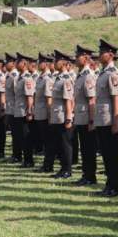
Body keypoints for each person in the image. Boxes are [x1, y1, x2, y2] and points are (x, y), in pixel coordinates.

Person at [93, 39, 118, 197]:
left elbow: (116, 98)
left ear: (110, 55)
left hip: (109, 120)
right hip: (101, 119)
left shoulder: (112, 74)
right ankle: (109, 185)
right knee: (106, 154)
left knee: (112, 155)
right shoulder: (103, 73)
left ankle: (115, 186)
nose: (99, 55)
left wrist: (115, 122)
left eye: (102, 52)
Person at [48, 50, 75, 179]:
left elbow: (68, 100)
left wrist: (69, 118)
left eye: (56, 61)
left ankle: (67, 170)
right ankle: (62, 168)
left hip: (63, 117)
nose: (54, 63)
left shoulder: (66, 79)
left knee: (65, 145)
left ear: (63, 63)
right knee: (59, 144)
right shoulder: (58, 78)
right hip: (56, 116)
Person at [73, 45, 98, 186]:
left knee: (89, 149)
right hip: (81, 117)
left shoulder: (88, 76)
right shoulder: (81, 75)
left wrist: (91, 120)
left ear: (87, 58)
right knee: (84, 148)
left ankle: (90, 176)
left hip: (87, 118)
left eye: (78, 56)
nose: (76, 59)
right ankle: (86, 174)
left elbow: (92, 100)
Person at [14, 53, 37, 168]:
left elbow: (30, 97)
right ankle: (25, 159)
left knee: (26, 137)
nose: (15, 64)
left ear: (23, 64)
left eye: (17, 62)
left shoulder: (27, 78)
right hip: (18, 111)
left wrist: (29, 111)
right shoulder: (20, 77)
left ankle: (29, 160)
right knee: (20, 137)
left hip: (24, 112)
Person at [35, 53, 56, 172]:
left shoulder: (48, 79)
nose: (38, 64)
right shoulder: (40, 77)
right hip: (40, 113)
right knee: (45, 140)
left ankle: (48, 165)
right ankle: (46, 164)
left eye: (41, 62)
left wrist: (49, 116)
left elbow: (49, 99)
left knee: (48, 141)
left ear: (46, 64)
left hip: (45, 114)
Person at [5, 53, 22, 163]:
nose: (5, 64)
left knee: (17, 134)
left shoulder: (15, 75)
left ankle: (17, 155)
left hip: (14, 109)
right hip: (10, 108)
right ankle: (15, 154)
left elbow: (17, 94)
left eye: (7, 62)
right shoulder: (10, 75)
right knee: (14, 133)